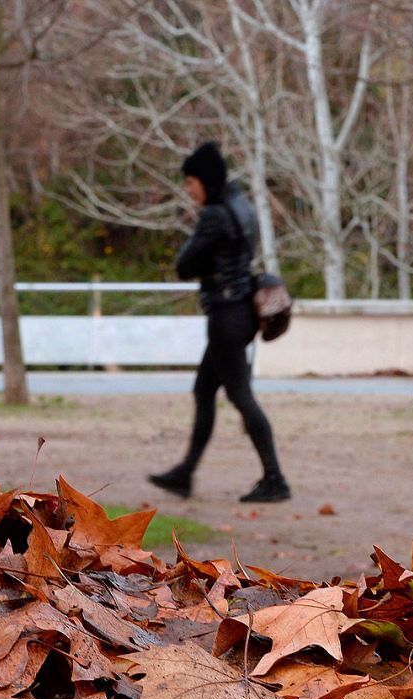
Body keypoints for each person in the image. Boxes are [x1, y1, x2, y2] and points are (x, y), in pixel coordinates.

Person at [149, 142, 291, 503]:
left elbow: (184, 265)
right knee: (204, 390)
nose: (188, 188)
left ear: (206, 180)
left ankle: (275, 479)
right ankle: (185, 472)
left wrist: (203, 261)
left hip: (227, 316)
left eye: (191, 181)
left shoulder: (214, 214)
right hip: (241, 311)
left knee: (242, 397)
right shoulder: (241, 206)